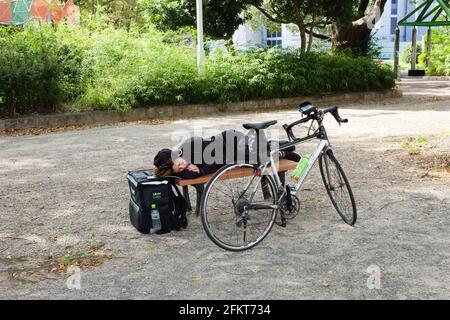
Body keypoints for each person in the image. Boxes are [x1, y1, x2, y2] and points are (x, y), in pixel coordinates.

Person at [153, 129, 300, 179]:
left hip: (232, 142)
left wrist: (202, 170)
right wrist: (182, 171)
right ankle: (278, 146)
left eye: (180, 164)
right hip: (233, 154)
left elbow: (220, 160)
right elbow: (189, 175)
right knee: (259, 153)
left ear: (175, 155)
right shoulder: (181, 165)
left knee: (259, 158)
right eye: (180, 169)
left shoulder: (191, 146)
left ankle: (281, 151)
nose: (184, 166)